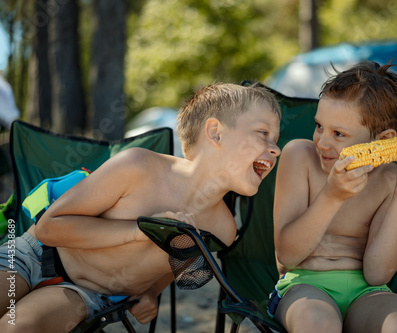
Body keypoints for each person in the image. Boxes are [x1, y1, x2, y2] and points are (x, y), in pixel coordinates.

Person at [0, 82, 281, 332]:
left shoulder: (223, 229)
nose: (275, 148)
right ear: (216, 133)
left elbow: (171, 266)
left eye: (276, 140)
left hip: (89, 293)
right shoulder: (138, 167)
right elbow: (49, 227)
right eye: (263, 133)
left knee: (18, 326)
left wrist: (150, 293)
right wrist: (139, 230)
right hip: (32, 254)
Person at [269, 61, 397, 332]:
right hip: (304, 286)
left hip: (368, 292)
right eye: (319, 126)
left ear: (383, 140)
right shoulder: (299, 156)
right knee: (318, 324)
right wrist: (331, 196)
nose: (322, 142)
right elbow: (287, 256)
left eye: (339, 134)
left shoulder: (390, 179)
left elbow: (378, 273)